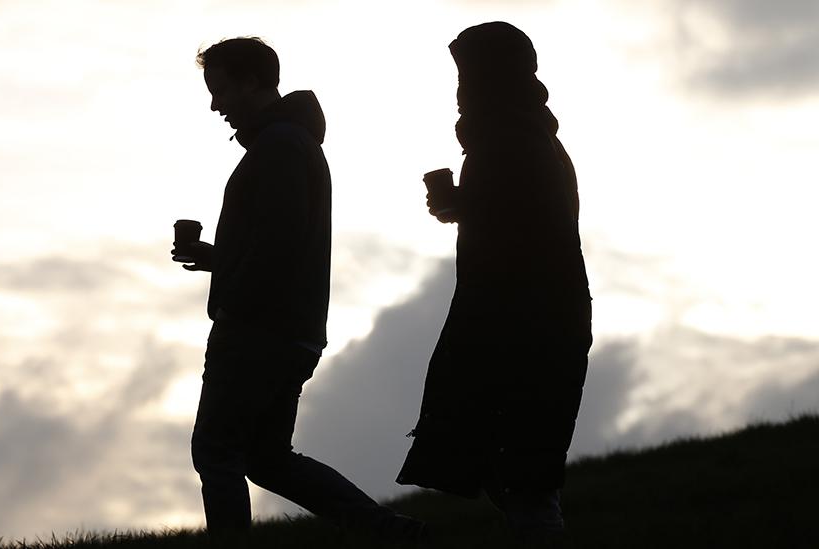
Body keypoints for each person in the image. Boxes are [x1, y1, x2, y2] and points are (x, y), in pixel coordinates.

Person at [172, 37, 424, 543]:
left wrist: (234, 306)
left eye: (220, 90)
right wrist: (218, 260)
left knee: (217, 451)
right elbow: (279, 242)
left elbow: (278, 245)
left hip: (258, 330)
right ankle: (388, 531)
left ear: (251, 82)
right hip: (288, 328)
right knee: (266, 457)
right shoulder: (289, 143)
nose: (215, 104)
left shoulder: (280, 146)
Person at [396, 22, 593, 546]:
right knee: (514, 469)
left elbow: (521, 237)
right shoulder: (525, 136)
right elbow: (520, 218)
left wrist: (469, 207)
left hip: (522, 328)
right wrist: (466, 207)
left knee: (521, 475)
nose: (460, 89)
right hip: (537, 321)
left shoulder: (509, 140)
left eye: (468, 75)